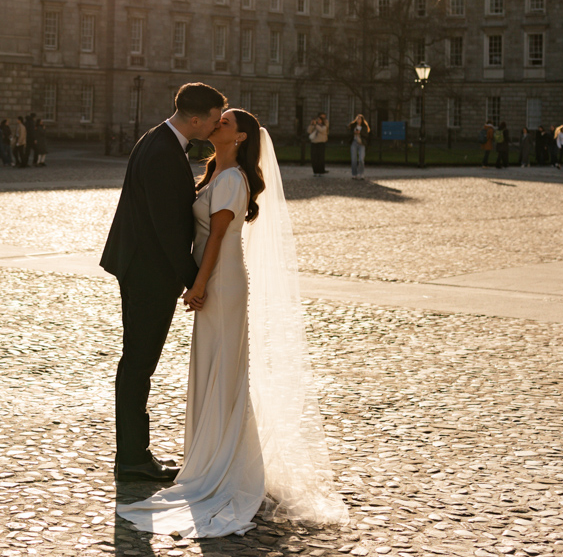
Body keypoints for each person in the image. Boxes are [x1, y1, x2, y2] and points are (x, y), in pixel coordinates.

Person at [116, 106, 346, 537]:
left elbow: (218, 240)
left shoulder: (233, 180)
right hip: (214, 281)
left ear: (240, 138)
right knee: (213, 367)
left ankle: (223, 462)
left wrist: (197, 285)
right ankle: (212, 453)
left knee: (223, 368)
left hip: (221, 283)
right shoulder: (213, 175)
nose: (215, 124)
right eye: (216, 120)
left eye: (225, 123)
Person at [102, 82, 226, 484]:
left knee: (137, 362)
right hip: (147, 274)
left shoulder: (159, 140)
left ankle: (133, 455)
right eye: (212, 119)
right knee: (139, 363)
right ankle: (133, 458)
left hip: (142, 268)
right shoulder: (161, 152)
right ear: (195, 119)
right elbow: (167, 228)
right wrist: (196, 282)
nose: (215, 126)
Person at [348, 114, 370, 180]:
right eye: (357, 118)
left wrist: (360, 132)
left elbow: (366, 135)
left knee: (361, 159)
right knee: (353, 159)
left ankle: (361, 173)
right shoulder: (353, 126)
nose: (358, 120)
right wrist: (354, 133)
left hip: (361, 143)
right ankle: (354, 174)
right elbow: (349, 133)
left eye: (360, 119)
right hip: (354, 142)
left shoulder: (364, 127)